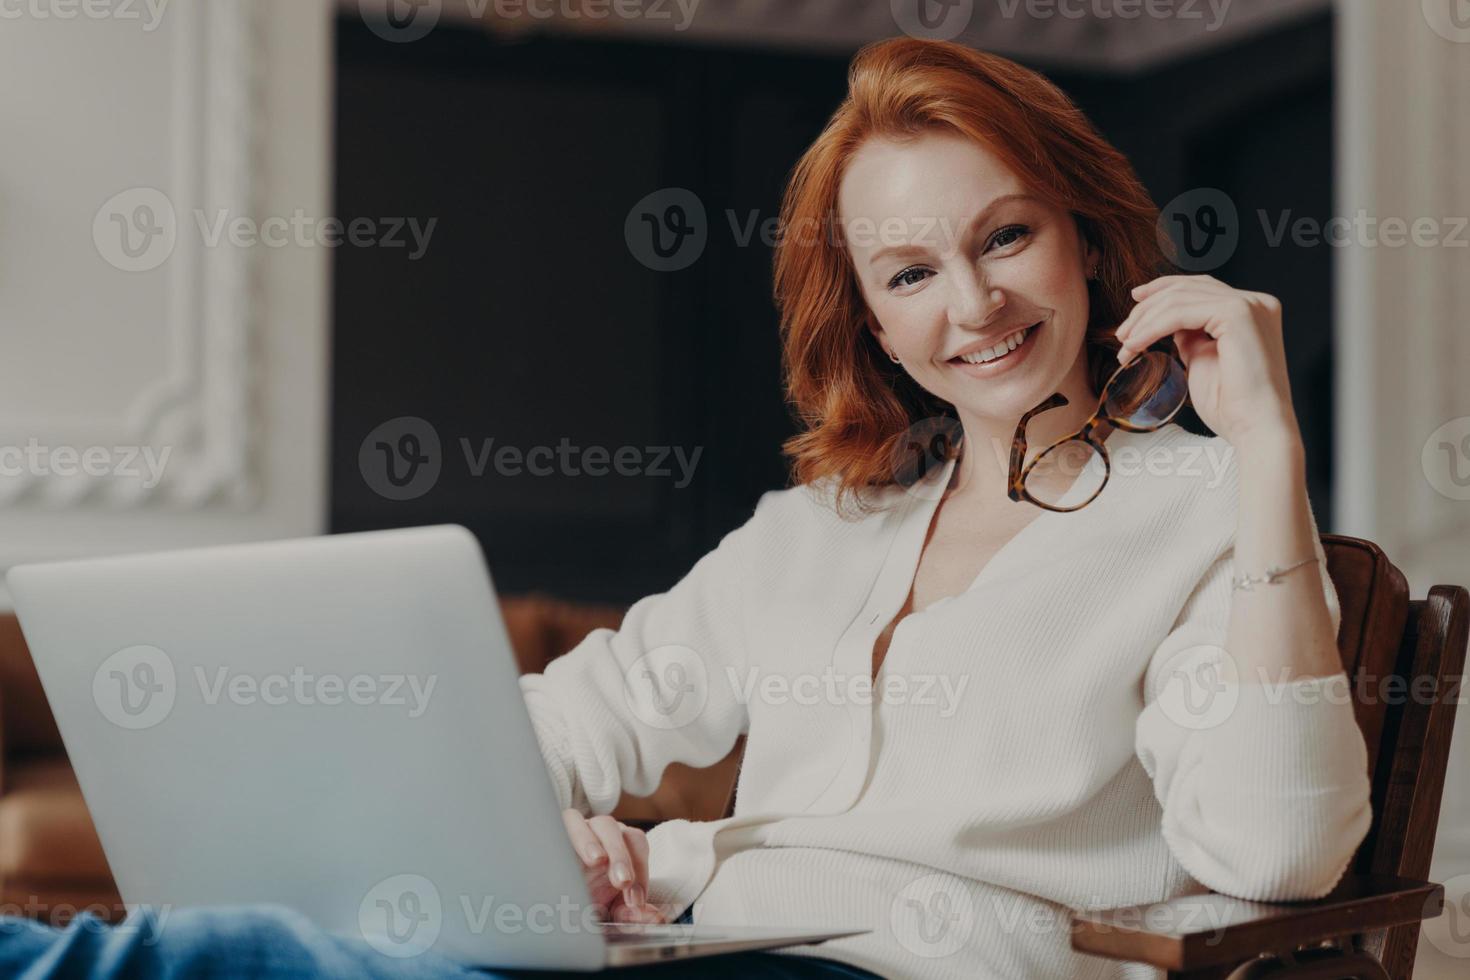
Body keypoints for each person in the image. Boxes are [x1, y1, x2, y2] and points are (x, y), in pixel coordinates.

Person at [1, 36, 1370, 980]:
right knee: (303, 941)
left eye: (1004, 236)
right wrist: (544, 831)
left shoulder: (1203, 514)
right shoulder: (825, 526)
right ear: (872, 321)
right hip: (690, 933)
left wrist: (1261, 458)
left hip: (908, 964)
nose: (972, 306)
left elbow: (1280, 853)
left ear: (1082, 235)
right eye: (907, 273)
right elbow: (559, 720)